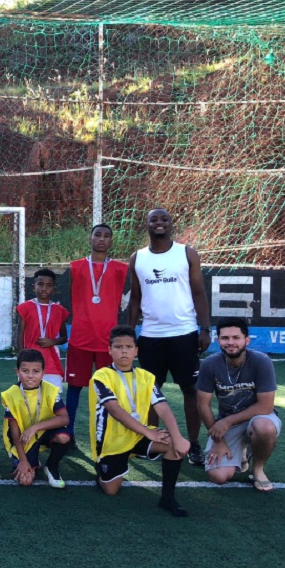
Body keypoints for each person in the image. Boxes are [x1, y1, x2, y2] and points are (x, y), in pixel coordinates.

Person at [127, 208, 210, 467]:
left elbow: (199, 292)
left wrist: (205, 329)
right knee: (151, 392)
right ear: (147, 225)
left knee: (190, 390)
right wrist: (130, 333)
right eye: (153, 219)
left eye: (164, 219)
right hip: (151, 336)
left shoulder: (187, 253)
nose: (159, 223)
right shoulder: (137, 258)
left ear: (171, 224)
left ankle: (193, 443)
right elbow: (135, 299)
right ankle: (154, 441)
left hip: (184, 333)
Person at [90, 325, 190, 517]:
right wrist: (147, 432)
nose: (124, 351)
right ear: (110, 350)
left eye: (128, 347)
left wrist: (177, 437)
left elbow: (162, 407)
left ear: (136, 351)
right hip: (113, 440)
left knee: (173, 445)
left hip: (140, 434)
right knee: (111, 490)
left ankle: (167, 498)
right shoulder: (101, 376)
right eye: (118, 347)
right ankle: (101, 471)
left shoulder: (146, 377)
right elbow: (115, 410)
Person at [197, 317, 280, 492]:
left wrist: (227, 422)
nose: (230, 342)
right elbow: (203, 405)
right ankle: (241, 451)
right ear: (218, 340)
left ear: (246, 340)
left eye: (236, 337)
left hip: (257, 417)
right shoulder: (209, 364)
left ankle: (258, 469)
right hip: (228, 422)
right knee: (218, 476)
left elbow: (265, 406)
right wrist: (218, 440)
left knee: (264, 427)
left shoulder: (261, 361)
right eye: (225, 338)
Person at [65, 223, 129, 442]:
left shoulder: (121, 269)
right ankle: (68, 432)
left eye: (106, 236)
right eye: (97, 235)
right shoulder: (76, 267)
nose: (102, 239)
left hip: (107, 341)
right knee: (74, 388)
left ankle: (108, 434)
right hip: (80, 338)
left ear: (111, 241)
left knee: (108, 390)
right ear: (90, 238)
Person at [0, 349, 71, 489]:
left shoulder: (50, 390)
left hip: (43, 432)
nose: (30, 376)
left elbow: (65, 419)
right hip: (23, 438)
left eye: (36, 371)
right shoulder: (10, 394)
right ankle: (32, 460)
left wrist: (35, 427)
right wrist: (23, 460)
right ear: (17, 372)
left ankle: (51, 466)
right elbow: (14, 433)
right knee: (25, 481)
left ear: (43, 373)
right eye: (25, 371)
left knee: (64, 437)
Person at [16, 268, 69, 389]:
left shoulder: (59, 310)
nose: (44, 288)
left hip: (51, 362)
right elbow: (19, 335)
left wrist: (52, 341)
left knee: (53, 397)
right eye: (40, 284)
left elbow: (64, 337)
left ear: (54, 289)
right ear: (33, 287)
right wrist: (21, 357)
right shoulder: (25, 307)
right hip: (30, 361)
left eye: (49, 285)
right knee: (29, 396)